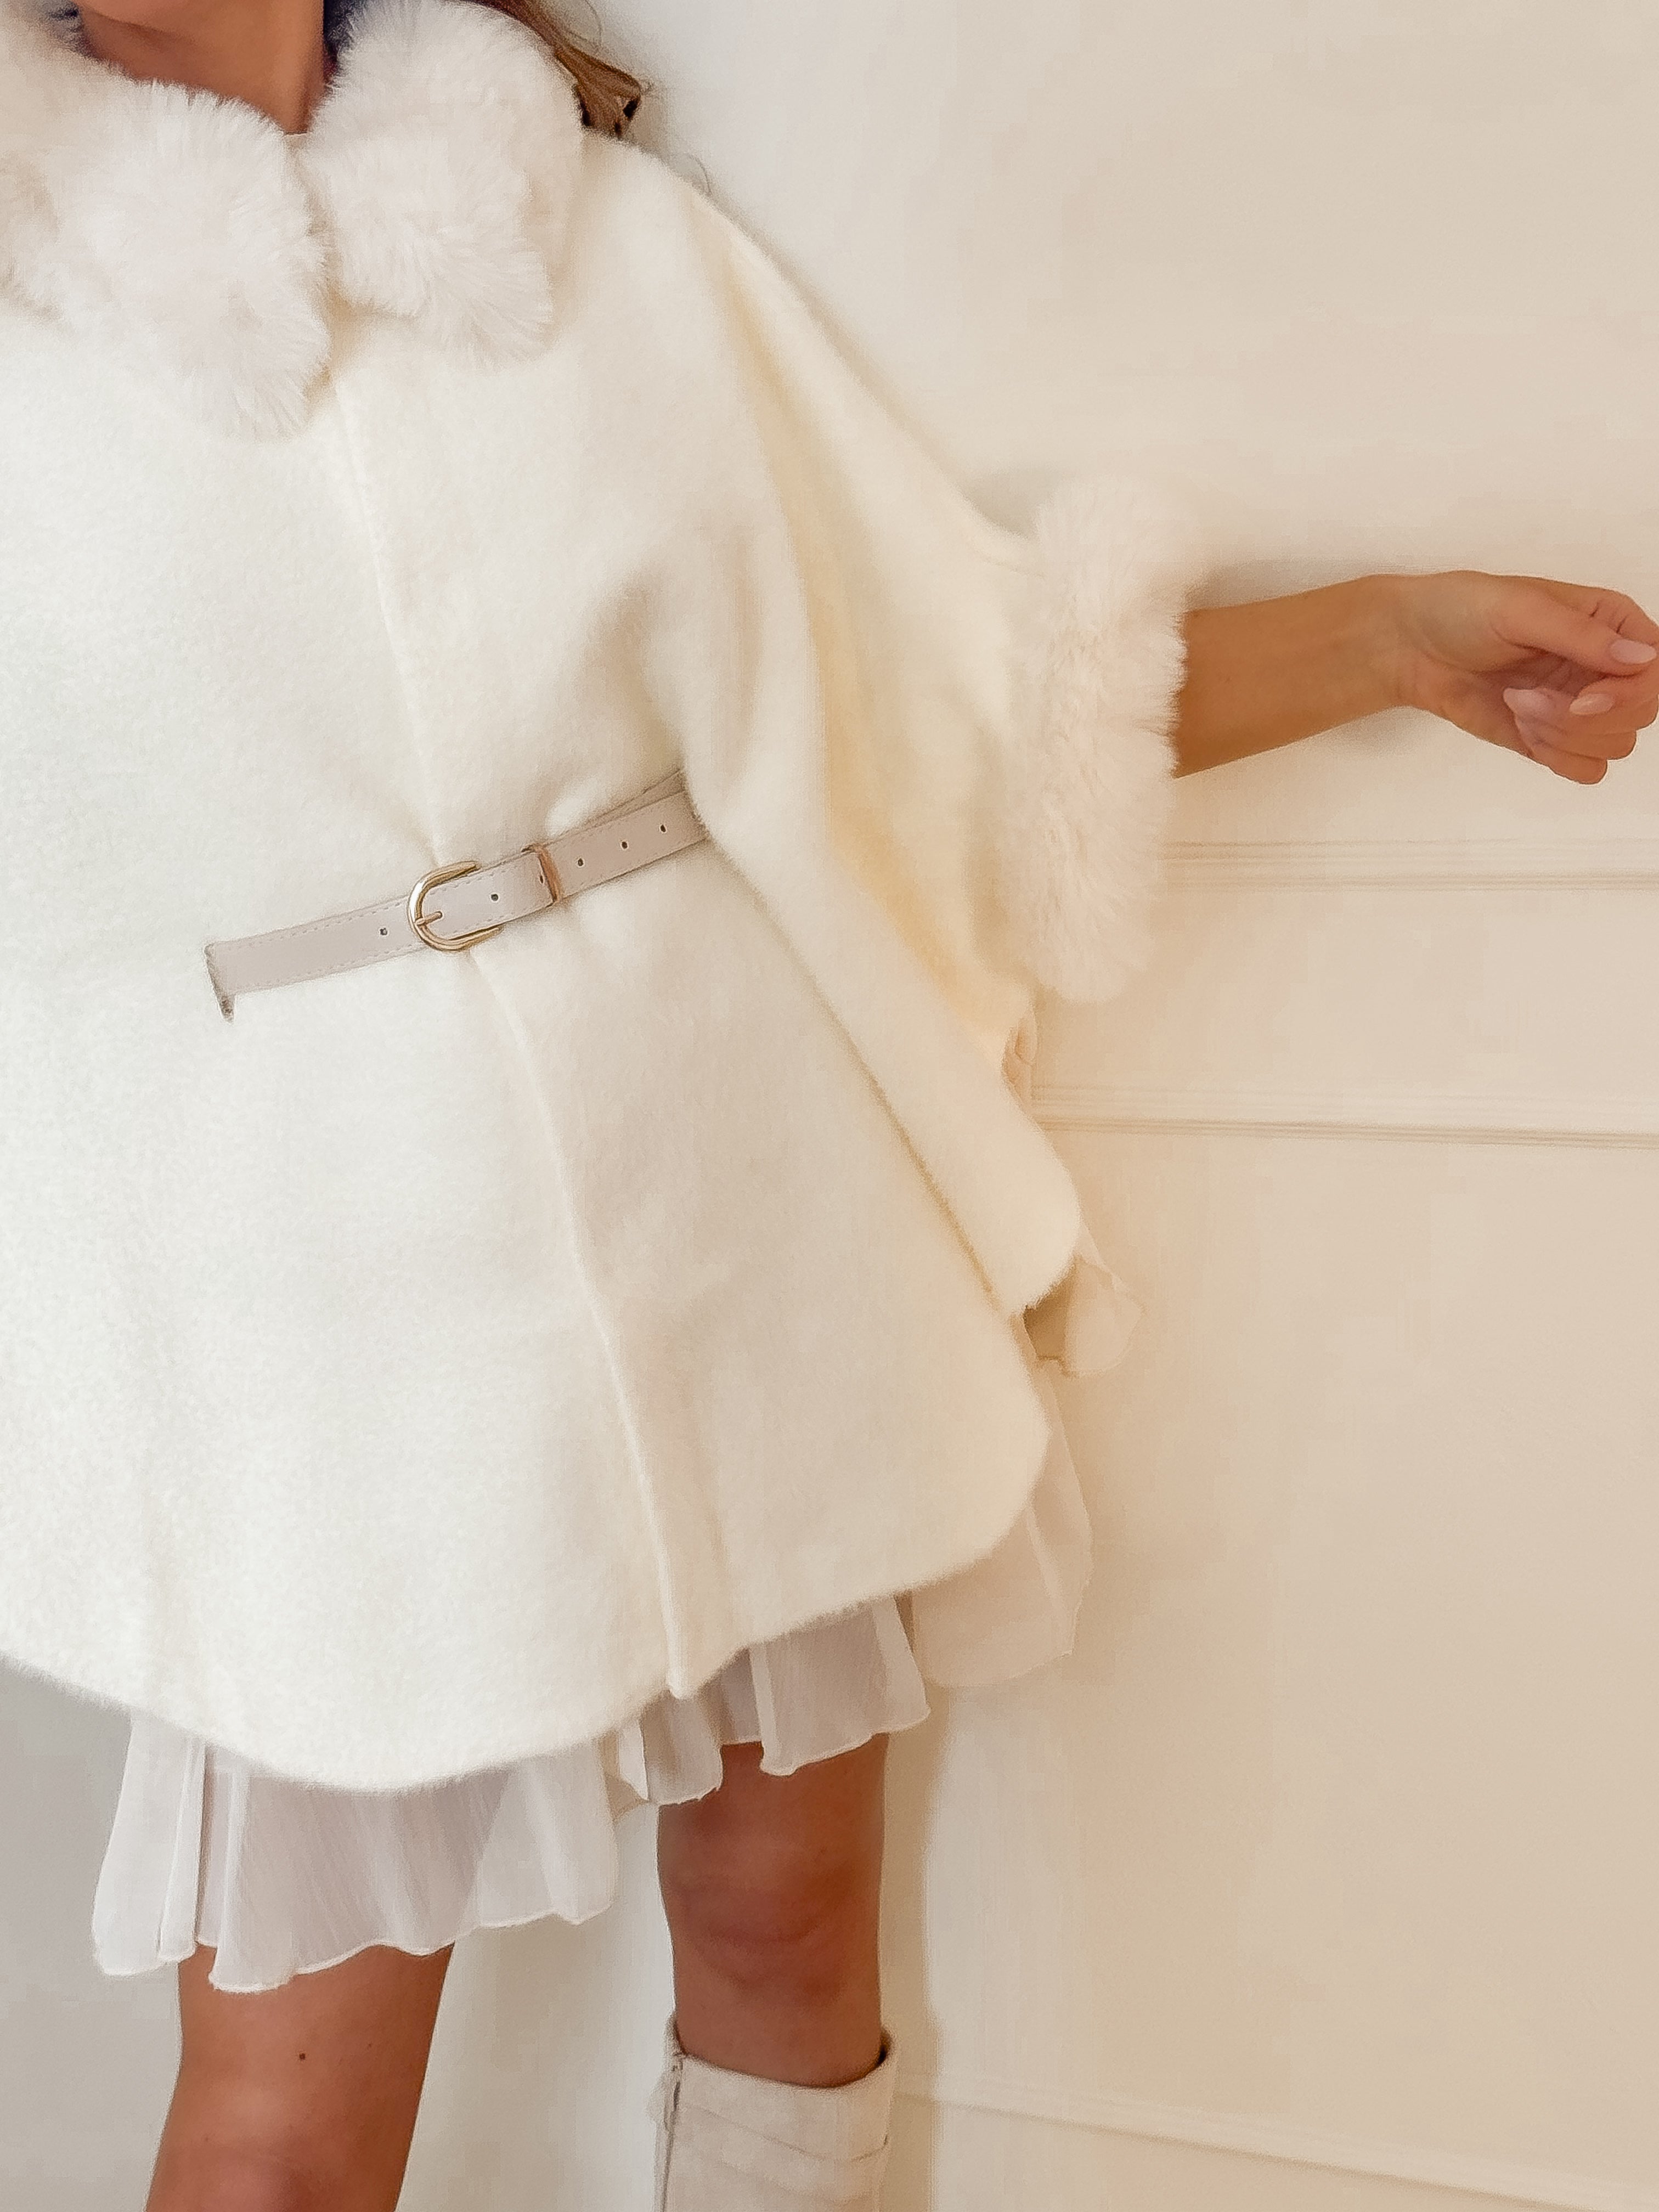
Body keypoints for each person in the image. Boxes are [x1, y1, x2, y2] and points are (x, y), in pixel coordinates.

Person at [0, 0, 1650, 2205]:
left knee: (786, 1941)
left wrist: (1388, 641)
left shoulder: (592, 243)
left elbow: (955, 691)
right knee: (288, 2128)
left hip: (733, 1202)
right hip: (297, 1322)